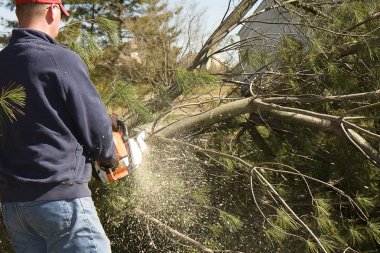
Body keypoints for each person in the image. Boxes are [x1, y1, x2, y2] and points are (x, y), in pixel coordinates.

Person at [0, 0, 118, 252]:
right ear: (53, 11)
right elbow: (97, 129)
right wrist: (109, 157)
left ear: (19, 12)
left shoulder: (2, 62)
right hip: (61, 199)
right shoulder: (60, 59)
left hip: (15, 207)